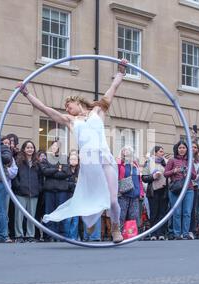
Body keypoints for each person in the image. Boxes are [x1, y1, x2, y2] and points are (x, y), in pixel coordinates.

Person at [17, 59, 129, 243]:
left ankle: (116, 227)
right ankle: (90, 220)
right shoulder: (71, 120)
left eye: (68, 106)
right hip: (89, 162)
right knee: (90, 196)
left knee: (113, 200)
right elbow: (46, 109)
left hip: (105, 157)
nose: (66, 109)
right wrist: (26, 93)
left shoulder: (98, 111)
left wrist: (121, 71)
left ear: (77, 102)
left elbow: (112, 89)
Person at [164, 141, 197, 240]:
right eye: (180, 148)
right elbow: (165, 173)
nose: (182, 150)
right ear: (177, 149)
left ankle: (185, 233)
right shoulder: (172, 160)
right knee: (177, 212)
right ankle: (177, 233)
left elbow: (194, 176)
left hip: (189, 189)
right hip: (176, 189)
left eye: (184, 148)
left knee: (187, 212)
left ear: (187, 149)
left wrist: (188, 171)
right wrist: (174, 171)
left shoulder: (190, 161)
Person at [12, 141, 41, 243]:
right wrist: (18, 186)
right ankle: (19, 235)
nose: (30, 149)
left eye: (32, 147)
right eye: (28, 147)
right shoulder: (18, 161)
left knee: (31, 216)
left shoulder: (37, 163)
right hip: (21, 192)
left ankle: (30, 235)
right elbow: (15, 177)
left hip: (33, 193)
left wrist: (38, 188)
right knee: (19, 215)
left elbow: (40, 178)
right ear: (24, 149)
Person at [142, 146, 167, 241]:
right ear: (155, 153)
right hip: (153, 191)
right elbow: (144, 178)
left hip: (164, 190)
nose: (162, 153)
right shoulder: (148, 162)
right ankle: (153, 233)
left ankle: (161, 233)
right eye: (161, 151)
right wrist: (153, 177)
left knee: (162, 212)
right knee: (154, 213)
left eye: (163, 151)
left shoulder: (166, 162)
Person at [117, 146, 144, 233]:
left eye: (129, 149)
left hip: (134, 194)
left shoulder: (135, 164)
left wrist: (141, 192)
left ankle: (131, 235)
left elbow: (139, 180)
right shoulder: (120, 163)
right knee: (121, 216)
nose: (127, 151)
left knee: (134, 216)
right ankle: (118, 234)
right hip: (123, 194)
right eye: (125, 149)